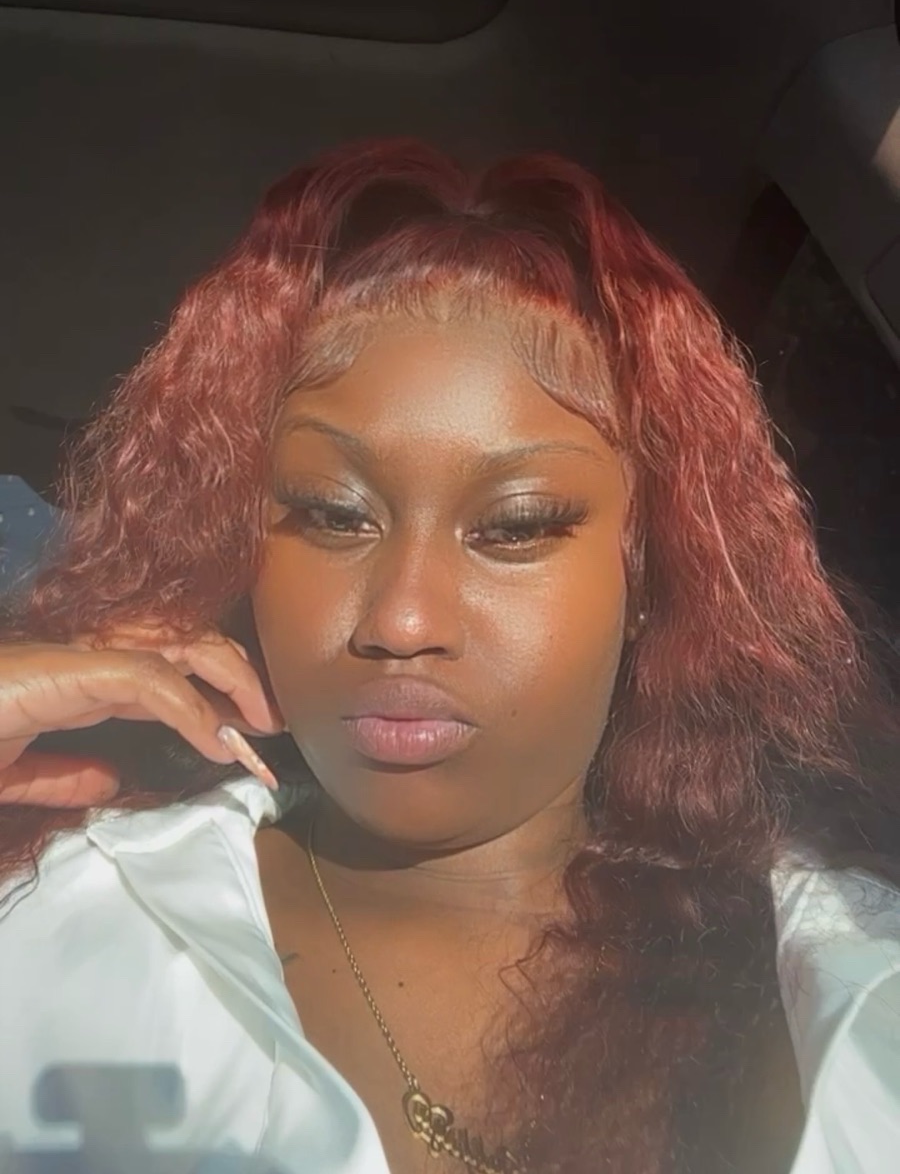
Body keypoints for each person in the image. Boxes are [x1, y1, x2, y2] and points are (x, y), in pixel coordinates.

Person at [0, 138, 898, 1174]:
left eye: (515, 526)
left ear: (650, 571)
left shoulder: (853, 973)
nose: (401, 619)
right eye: (332, 513)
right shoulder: (61, 914)